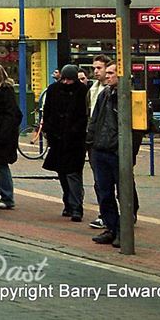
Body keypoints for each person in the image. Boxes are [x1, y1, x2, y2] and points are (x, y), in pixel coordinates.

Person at [42, 64, 89, 222]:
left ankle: (76, 206)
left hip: (75, 140)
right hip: (57, 139)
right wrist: (48, 129)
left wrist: (76, 130)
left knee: (73, 173)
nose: (67, 82)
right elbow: (47, 110)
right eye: (65, 79)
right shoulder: (53, 89)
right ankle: (68, 203)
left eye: (70, 79)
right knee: (62, 173)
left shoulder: (82, 91)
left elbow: (84, 115)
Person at [87, 61, 121, 247]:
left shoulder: (127, 95)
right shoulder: (104, 95)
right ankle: (111, 227)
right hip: (101, 149)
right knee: (104, 191)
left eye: (111, 73)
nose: (107, 76)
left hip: (116, 151)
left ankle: (122, 231)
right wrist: (91, 143)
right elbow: (94, 120)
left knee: (122, 193)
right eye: (106, 72)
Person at [0, 64, 22, 210]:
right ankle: (2, 193)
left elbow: (12, 115)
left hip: (2, 135)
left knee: (1, 165)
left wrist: (4, 133)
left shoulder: (5, 92)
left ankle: (7, 196)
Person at [86, 54, 110, 230]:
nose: (96, 71)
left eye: (99, 68)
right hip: (95, 141)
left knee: (121, 180)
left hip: (111, 142)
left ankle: (128, 213)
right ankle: (105, 214)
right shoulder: (92, 90)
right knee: (99, 180)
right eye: (94, 68)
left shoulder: (113, 92)